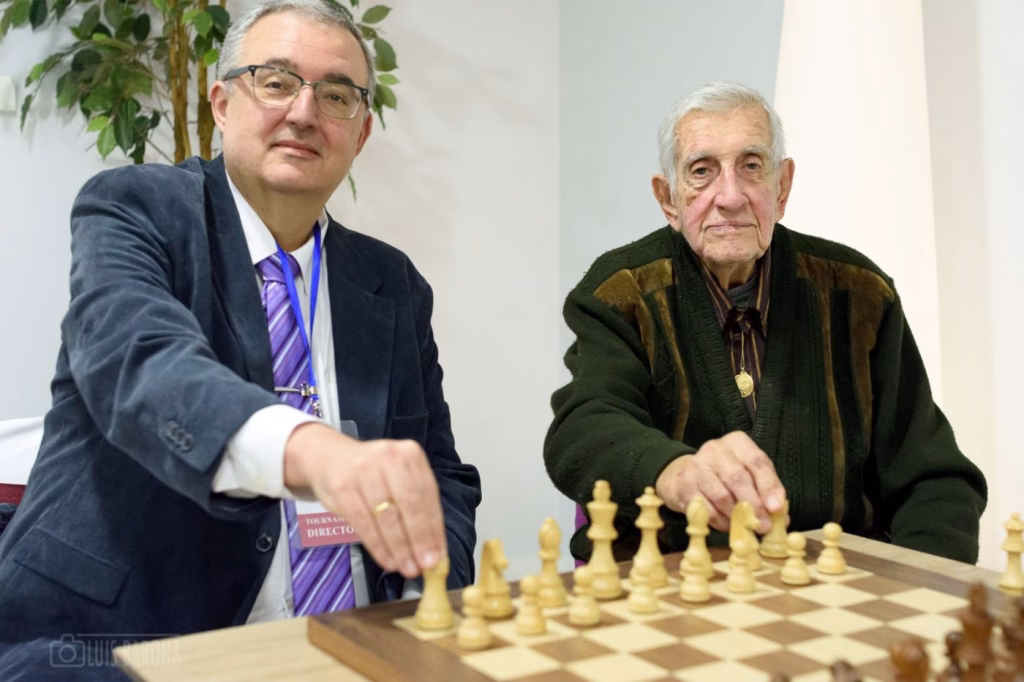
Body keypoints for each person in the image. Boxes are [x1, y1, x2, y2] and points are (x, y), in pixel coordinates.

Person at [0, 0, 481, 677]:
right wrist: (316, 453)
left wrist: (426, 589)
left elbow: (441, 473)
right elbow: (143, 365)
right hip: (125, 643)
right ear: (222, 103)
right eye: (277, 82)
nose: (305, 113)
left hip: (350, 645)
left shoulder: (389, 282)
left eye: (336, 94)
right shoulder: (134, 208)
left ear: (362, 133)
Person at [545, 81, 986, 565]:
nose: (730, 196)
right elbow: (583, 429)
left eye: (752, 166)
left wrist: (926, 594)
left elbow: (933, 478)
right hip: (674, 582)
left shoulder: (859, 293)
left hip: (834, 592)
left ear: (782, 187)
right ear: (668, 199)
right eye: (702, 171)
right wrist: (675, 471)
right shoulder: (620, 293)